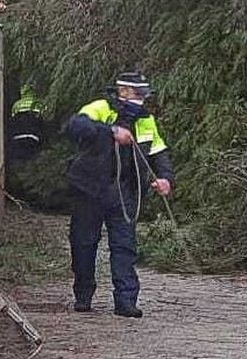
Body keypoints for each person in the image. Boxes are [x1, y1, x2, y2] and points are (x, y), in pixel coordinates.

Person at [63, 71, 173, 318]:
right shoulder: (100, 108)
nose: (142, 99)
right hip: (88, 189)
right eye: (138, 94)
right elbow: (75, 126)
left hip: (123, 192)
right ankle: (83, 294)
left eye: (144, 94)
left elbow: (158, 151)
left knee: (125, 246)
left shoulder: (146, 119)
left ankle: (126, 301)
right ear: (123, 91)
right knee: (83, 243)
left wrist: (164, 177)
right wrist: (111, 131)